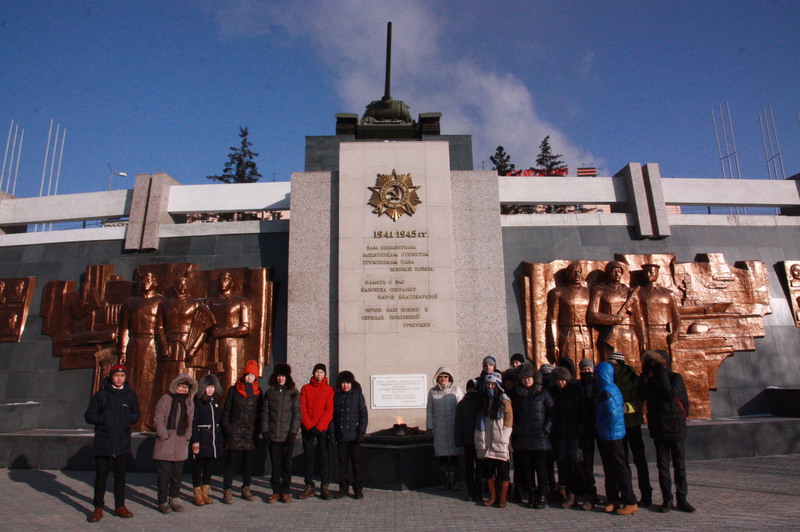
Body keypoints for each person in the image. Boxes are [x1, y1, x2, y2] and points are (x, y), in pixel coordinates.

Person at [638, 350, 696, 513]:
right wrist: (644, 374)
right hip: (659, 428)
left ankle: (682, 498)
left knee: (679, 465)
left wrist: (661, 372)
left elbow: (670, 394)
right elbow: (640, 395)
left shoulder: (674, 377)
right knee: (662, 465)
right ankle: (667, 499)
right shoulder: (650, 380)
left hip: (675, 427)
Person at [84, 364, 140, 522]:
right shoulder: (101, 395)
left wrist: (127, 420)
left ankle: (120, 505)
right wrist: (104, 420)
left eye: (122, 376)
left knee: (120, 476)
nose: (119, 378)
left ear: (125, 378)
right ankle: (98, 507)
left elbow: (136, 414)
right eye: (116, 376)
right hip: (104, 441)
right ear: (111, 377)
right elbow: (89, 415)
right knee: (101, 476)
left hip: (122, 442)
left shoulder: (130, 394)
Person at [118, 271, 167, 431]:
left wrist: (164, 348)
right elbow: (124, 328)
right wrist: (122, 350)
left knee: (150, 382)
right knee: (132, 381)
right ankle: (129, 419)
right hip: (133, 343)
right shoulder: (131, 302)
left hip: (152, 343)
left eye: (150, 279)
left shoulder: (161, 301)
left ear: (156, 282)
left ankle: (147, 420)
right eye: (144, 279)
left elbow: (163, 328)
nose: (146, 281)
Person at [594, 361, 638, 515]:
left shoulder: (606, 390)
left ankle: (630, 501)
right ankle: (613, 499)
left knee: (619, 467)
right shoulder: (610, 387)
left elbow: (612, 414)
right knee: (610, 468)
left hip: (611, 434)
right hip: (611, 433)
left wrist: (599, 425)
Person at [609, 351, 652, 508]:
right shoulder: (610, 380)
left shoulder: (634, 379)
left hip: (632, 424)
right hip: (617, 426)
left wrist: (627, 408)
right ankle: (626, 493)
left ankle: (646, 494)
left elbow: (639, 400)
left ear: (621, 365)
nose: (612, 368)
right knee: (621, 462)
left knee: (639, 461)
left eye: (614, 365)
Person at [510, 362, 553, 509]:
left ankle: (542, 495)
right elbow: (512, 415)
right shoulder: (517, 395)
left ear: (534, 377)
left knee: (541, 468)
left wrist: (547, 427)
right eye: (523, 378)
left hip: (539, 436)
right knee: (527, 468)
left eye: (528, 377)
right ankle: (531, 494)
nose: (526, 380)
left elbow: (552, 412)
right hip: (523, 437)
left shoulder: (543, 392)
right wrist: (515, 429)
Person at [153, 373, 197, 513]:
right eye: (181, 386)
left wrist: (187, 436)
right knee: (164, 475)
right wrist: (163, 434)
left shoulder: (189, 402)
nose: (183, 390)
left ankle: (174, 498)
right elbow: (158, 418)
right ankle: (162, 501)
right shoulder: (165, 399)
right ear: (175, 386)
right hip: (166, 442)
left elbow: (190, 421)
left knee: (177, 475)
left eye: (186, 388)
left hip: (180, 443)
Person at [586, 261, 645, 363]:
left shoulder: (629, 292)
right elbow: (592, 316)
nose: (617, 274)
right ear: (607, 273)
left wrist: (643, 339)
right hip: (610, 333)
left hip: (629, 334)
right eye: (613, 271)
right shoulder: (599, 290)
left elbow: (638, 317)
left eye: (619, 271)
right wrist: (613, 319)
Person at [221, 359, 262, 504]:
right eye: (248, 375)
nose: (250, 378)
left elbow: (260, 413)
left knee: (248, 463)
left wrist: (256, 431)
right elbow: (226, 411)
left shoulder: (258, 393)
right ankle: (227, 489)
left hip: (249, 433)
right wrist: (228, 428)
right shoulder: (234, 390)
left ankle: (246, 488)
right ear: (244, 376)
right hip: (235, 432)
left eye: (253, 376)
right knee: (231, 462)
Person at [205, 272, 253, 389]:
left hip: (232, 346)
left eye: (226, 279)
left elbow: (245, 328)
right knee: (210, 381)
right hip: (211, 346)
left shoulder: (241, 302)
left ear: (231, 283)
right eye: (220, 280)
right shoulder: (209, 302)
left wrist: (221, 333)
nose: (222, 282)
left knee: (229, 379)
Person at [261, 363, 301, 503]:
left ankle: (286, 491)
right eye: (278, 376)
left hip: (287, 436)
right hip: (273, 435)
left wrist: (293, 433)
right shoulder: (269, 393)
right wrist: (265, 431)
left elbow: (296, 414)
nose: (280, 379)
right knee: (275, 465)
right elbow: (265, 414)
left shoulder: (293, 393)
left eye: (283, 376)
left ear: (287, 377)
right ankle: (276, 492)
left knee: (286, 465)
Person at [475, 373, 513, 508]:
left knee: (503, 472)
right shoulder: (483, 400)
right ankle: (493, 496)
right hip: (487, 441)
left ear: (497, 385)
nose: (490, 387)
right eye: (488, 384)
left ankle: (502, 498)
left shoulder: (504, 400)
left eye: (493, 384)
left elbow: (509, 420)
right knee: (489, 472)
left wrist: (504, 437)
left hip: (500, 440)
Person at [546, 262, 594, 366]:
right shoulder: (558, 293)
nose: (577, 274)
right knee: (569, 366)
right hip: (568, 334)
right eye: (573, 271)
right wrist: (554, 344)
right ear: (567, 274)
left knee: (588, 366)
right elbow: (553, 319)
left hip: (586, 335)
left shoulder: (590, 293)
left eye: (579, 271)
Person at [299, 363, 335, 500]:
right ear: (313, 373)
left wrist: (320, 427)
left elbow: (329, 410)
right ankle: (309, 485)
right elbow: (302, 409)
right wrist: (309, 426)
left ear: (324, 374)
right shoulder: (306, 388)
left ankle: (324, 486)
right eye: (317, 372)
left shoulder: (329, 390)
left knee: (323, 457)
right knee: (308, 457)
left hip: (322, 429)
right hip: (308, 428)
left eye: (321, 372)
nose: (318, 374)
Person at [332, 370, 368, 499]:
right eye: (343, 383)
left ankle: (358, 489)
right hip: (341, 435)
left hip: (354, 435)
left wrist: (361, 432)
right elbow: (334, 416)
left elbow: (363, 414)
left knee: (356, 464)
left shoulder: (357, 395)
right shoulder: (337, 396)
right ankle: (343, 489)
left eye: (348, 383)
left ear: (352, 383)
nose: (345, 385)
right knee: (342, 464)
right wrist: (333, 432)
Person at [426, 367, 464, 490]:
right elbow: (429, 410)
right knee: (442, 456)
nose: (443, 379)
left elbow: (462, 408)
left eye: (445, 377)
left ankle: (454, 481)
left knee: (453, 456)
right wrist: (430, 427)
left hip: (453, 428)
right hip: (440, 429)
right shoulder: (432, 392)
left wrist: (461, 426)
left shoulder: (456, 390)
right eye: (441, 377)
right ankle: (444, 481)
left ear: (450, 378)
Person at [191, 373, 224, 506]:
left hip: (213, 440)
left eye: (212, 387)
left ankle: (205, 491)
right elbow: (194, 423)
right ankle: (197, 493)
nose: (210, 390)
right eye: (208, 387)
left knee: (209, 466)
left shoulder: (215, 402)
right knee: (198, 467)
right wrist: (195, 441)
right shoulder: (198, 402)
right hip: (202, 437)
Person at [454, 378, 482, 502]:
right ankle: (471, 491)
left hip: (480, 440)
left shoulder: (482, 402)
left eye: (474, 389)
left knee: (480, 468)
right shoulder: (462, 404)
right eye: (470, 389)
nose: (472, 391)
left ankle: (479, 491)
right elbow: (458, 423)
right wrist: (458, 440)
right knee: (469, 468)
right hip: (468, 441)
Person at [577, 358, 598, 509]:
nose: (586, 371)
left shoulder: (598, 385)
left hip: (598, 428)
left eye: (588, 368)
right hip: (583, 429)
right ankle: (587, 493)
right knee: (585, 464)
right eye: (583, 369)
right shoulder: (577, 387)